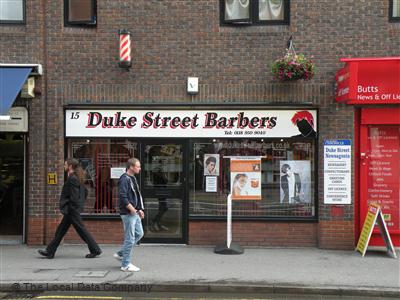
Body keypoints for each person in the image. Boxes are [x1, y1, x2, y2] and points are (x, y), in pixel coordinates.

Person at [38, 158, 101, 259]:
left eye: (65, 165)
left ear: (70, 166)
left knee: (80, 230)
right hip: (72, 209)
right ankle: (50, 251)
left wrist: (71, 207)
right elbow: (84, 192)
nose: (64, 166)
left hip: (72, 210)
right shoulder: (76, 177)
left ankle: (95, 250)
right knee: (61, 230)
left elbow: (74, 196)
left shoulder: (72, 178)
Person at [114, 158, 145, 272]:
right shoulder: (124, 179)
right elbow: (123, 197)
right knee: (130, 238)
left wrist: (139, 209)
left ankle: (121, 254)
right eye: (138, 166)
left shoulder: (132, 178)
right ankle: (125, 264)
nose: (139, 168)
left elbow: (136, 195)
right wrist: (132, 209)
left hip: (134, 212)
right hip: (128, 213)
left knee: (139, 234)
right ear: (131, 167)